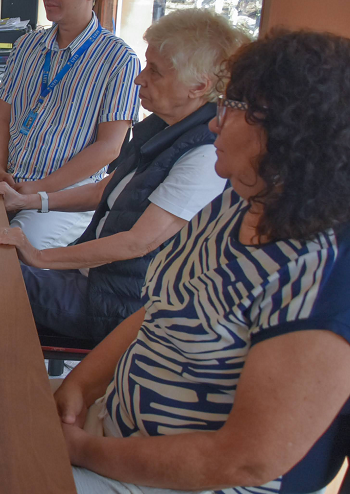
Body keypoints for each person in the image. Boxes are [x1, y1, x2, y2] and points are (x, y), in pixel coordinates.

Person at [53, 30, 350, 494]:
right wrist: (82, 386)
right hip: (112, 432)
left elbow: (243, 462)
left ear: (292, 136)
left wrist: (82, 451)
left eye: (233, 108)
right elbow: (161, 307)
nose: (214, 122)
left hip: (177, 482)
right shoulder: (238, 197)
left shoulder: (324, 280)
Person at [0, 10, 246, 341]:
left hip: (118, 304)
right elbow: (108, 188)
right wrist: (30, 200)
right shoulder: (165, 126)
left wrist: (37, 255)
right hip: (97, 282)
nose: (139, 79)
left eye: (155, 72)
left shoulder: (203, 155)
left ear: (199, 86)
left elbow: (139, 242)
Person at [0, 0, 141, 250]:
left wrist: (36, 190)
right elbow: (1, 117)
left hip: (65, 196)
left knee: (9, 255)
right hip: (9, 180)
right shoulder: (27, 46)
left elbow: (108, 148)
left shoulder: (119, 59)